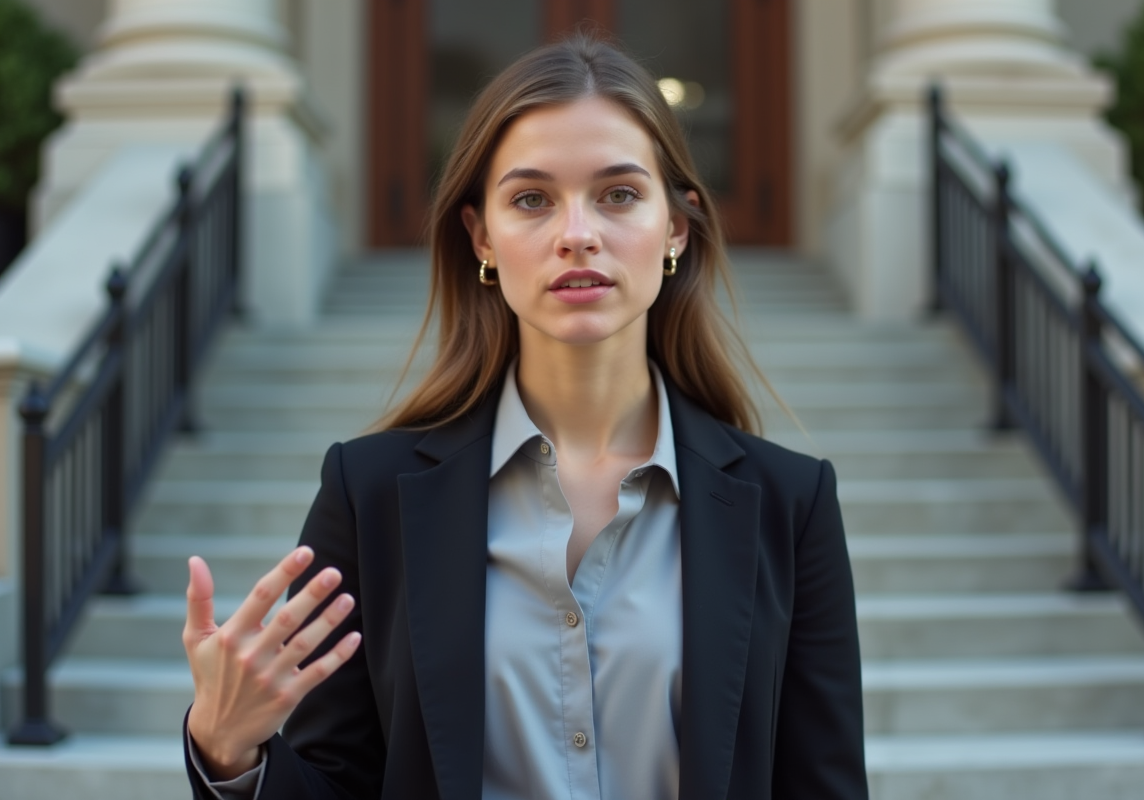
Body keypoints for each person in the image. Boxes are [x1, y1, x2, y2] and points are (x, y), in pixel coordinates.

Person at [181, 33, 866, 800]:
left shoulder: (789, 503)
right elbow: (338, 782)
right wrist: (227, 752)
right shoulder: (370, 493)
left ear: (676, 227)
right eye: (532, 199)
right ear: (481, 236)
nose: (577, 233)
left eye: (619, 194)